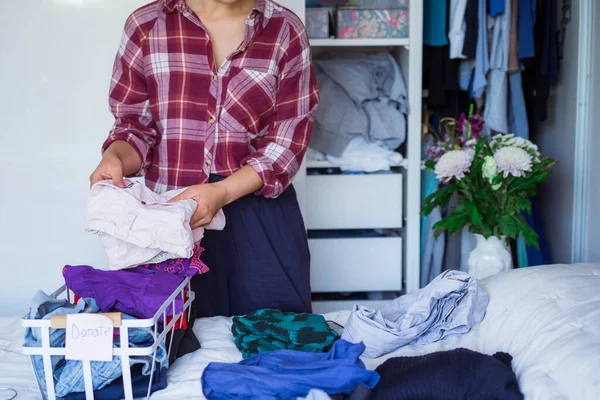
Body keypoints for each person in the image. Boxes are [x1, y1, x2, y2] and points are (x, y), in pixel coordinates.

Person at [90, 0, 319, 317]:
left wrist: (223, 192)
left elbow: (288, 139)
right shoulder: (146, 25)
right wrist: (115, 157)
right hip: (171, 218)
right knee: (173, 343)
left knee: (277, 343)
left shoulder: (284, 29)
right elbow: (134, 127)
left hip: (258, 214)